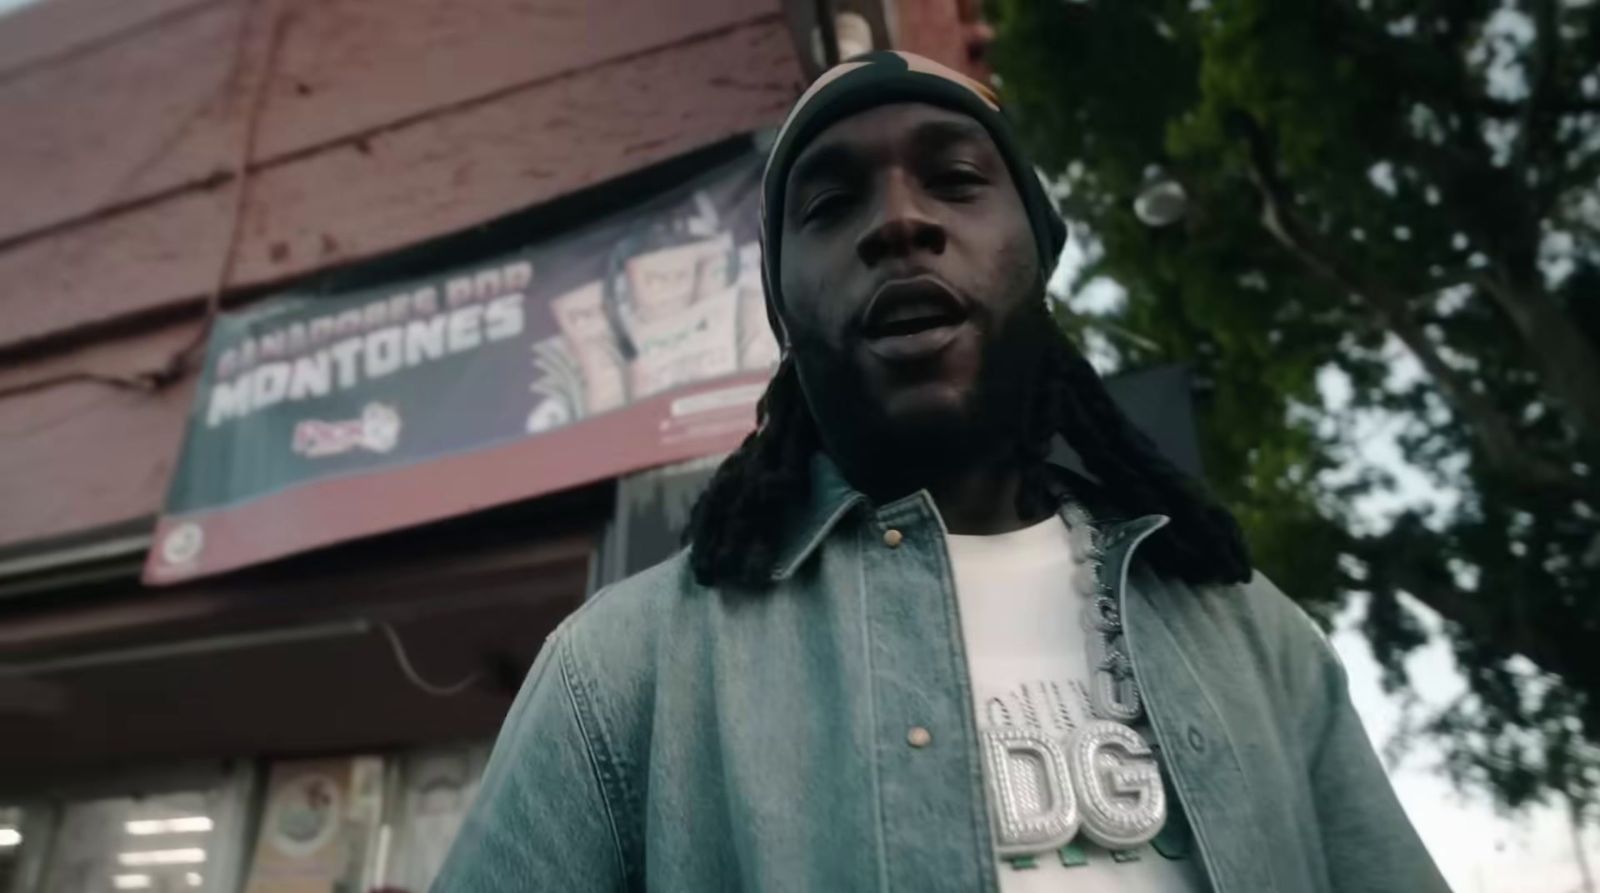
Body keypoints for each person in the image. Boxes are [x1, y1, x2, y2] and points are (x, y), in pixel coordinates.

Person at [432, 51, 1450, 893]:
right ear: (784, 311)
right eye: (830, 203)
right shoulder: (620, 673)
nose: (900, 222)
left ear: (1035, 253)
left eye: (957, 179)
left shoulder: (1258, 638)